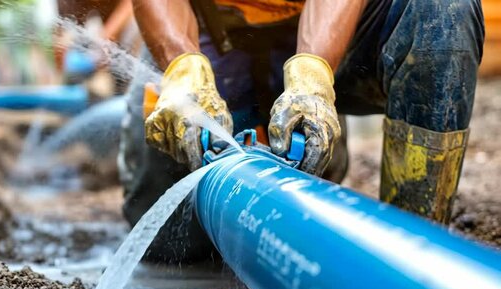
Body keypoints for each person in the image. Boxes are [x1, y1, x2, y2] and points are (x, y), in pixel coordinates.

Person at [119, 0, 484, 262]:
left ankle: (413, 254)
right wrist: (183, 69)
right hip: (208, 35)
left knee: (444, 9)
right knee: (167, 244)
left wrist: (312, 76)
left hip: (331, 33)